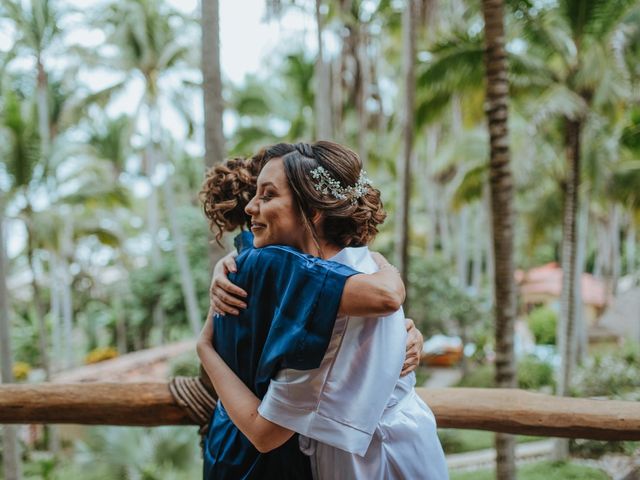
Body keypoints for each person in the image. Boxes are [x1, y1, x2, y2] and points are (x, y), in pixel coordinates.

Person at [199, 141, 448, 479]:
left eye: (268, 196)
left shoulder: (328, 299)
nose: (251, 208)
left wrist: (205, 348)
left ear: (313, 211)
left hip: (375, 458)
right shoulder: (328, 269)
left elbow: (265, 432)